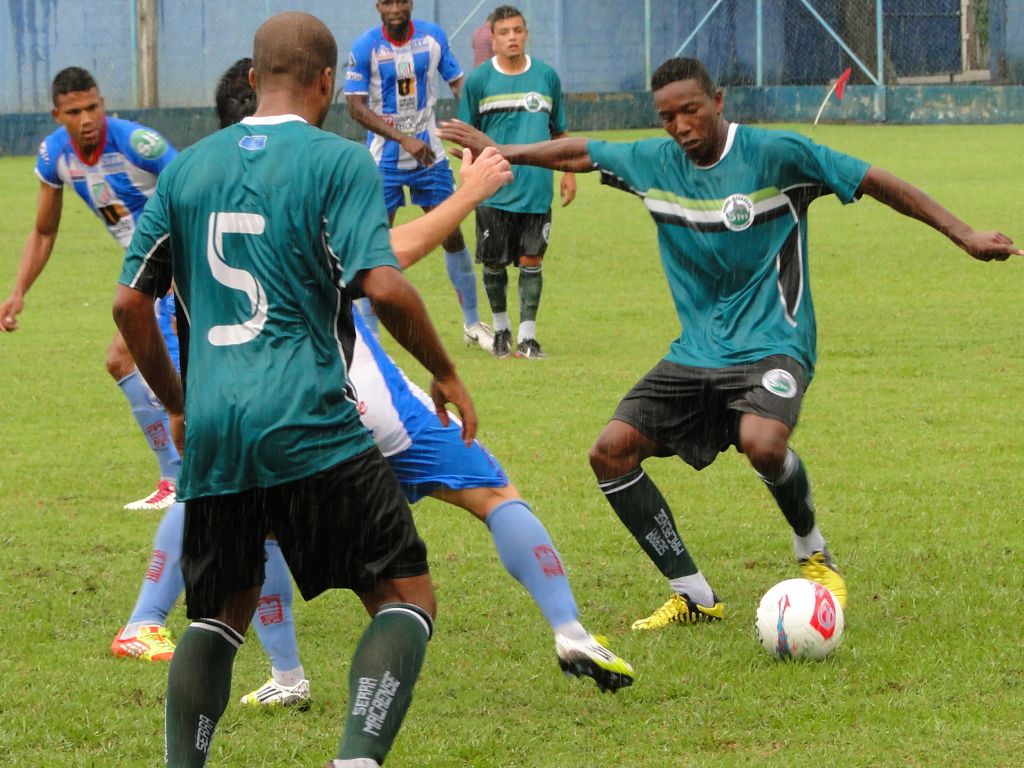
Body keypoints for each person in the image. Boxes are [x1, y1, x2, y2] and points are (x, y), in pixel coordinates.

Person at [440, 56, 1023, 629]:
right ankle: (692, 593)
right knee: (610, 452)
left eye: (691, 110)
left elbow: (874, 180)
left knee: (762, 442)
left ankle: (813, 553)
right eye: (668, 116)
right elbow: (583, 152)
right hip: (697, 352)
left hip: (775, 341)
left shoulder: (776, 153)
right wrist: (503, 152)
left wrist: (963, 233)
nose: (681, 126)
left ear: (718, 102)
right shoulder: (654, 161)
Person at [112, 62, 634, 699]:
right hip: (356, 401)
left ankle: (284, 673)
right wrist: (468, 196)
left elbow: (130, 319)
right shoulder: (318, 177)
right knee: (491, 498)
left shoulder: (189, 206)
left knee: (253, 527)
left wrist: (176, 403)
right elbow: (393, 260)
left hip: (258, 420)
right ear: (319, 87)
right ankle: (570, 628)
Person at [113, 13, 476, 768]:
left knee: (218, 615)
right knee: (406, 598)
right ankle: (354, 759)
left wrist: (178, 405)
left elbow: (128, 306)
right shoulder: (339, 163)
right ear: (323, 83)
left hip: (217, 433)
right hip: (312, 422)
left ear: (252, 79)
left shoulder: (185, 169)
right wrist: (445, 369)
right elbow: (384, 284)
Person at [0, 67, 181, 512]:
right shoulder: (55, 156)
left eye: (93, 107)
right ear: (57, 114)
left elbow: (197, 190)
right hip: (146, 276)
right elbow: (44, 232)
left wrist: (182, 277)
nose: (87, 118)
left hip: (179, 269)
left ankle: (197, 484)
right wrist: (19, 289)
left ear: (104, 104)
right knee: (122, 361)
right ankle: (176, 478)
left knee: (179, 388)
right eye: (75, 111)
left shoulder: (140, 145)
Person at [345, 0, 494, 352]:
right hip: (384, 161)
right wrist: (402, 139)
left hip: (431, 157)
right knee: (373, 245)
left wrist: (475, 125)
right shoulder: (365, 46)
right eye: (388, 1)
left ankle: (472, 323)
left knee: (451, 234)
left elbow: (460, 86)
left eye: (402, 0)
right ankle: (373, 337)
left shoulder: (433, 38)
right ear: (378, 6)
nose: (395, 7)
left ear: (410, 3)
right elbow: (355, 106)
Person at [458, 5, 576, 358]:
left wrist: (568, 172)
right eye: (505, 32)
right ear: (492, 39)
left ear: (526, 35)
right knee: (493, 263)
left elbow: (560, 132)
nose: (512, 37)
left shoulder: (546, 77)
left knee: (531, 260)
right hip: (494, 189)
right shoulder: (478, 81)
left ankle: (527, 338)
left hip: (537, 189)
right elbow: (468, 136)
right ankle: (501, 331)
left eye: (518, 31)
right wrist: (469, 177)